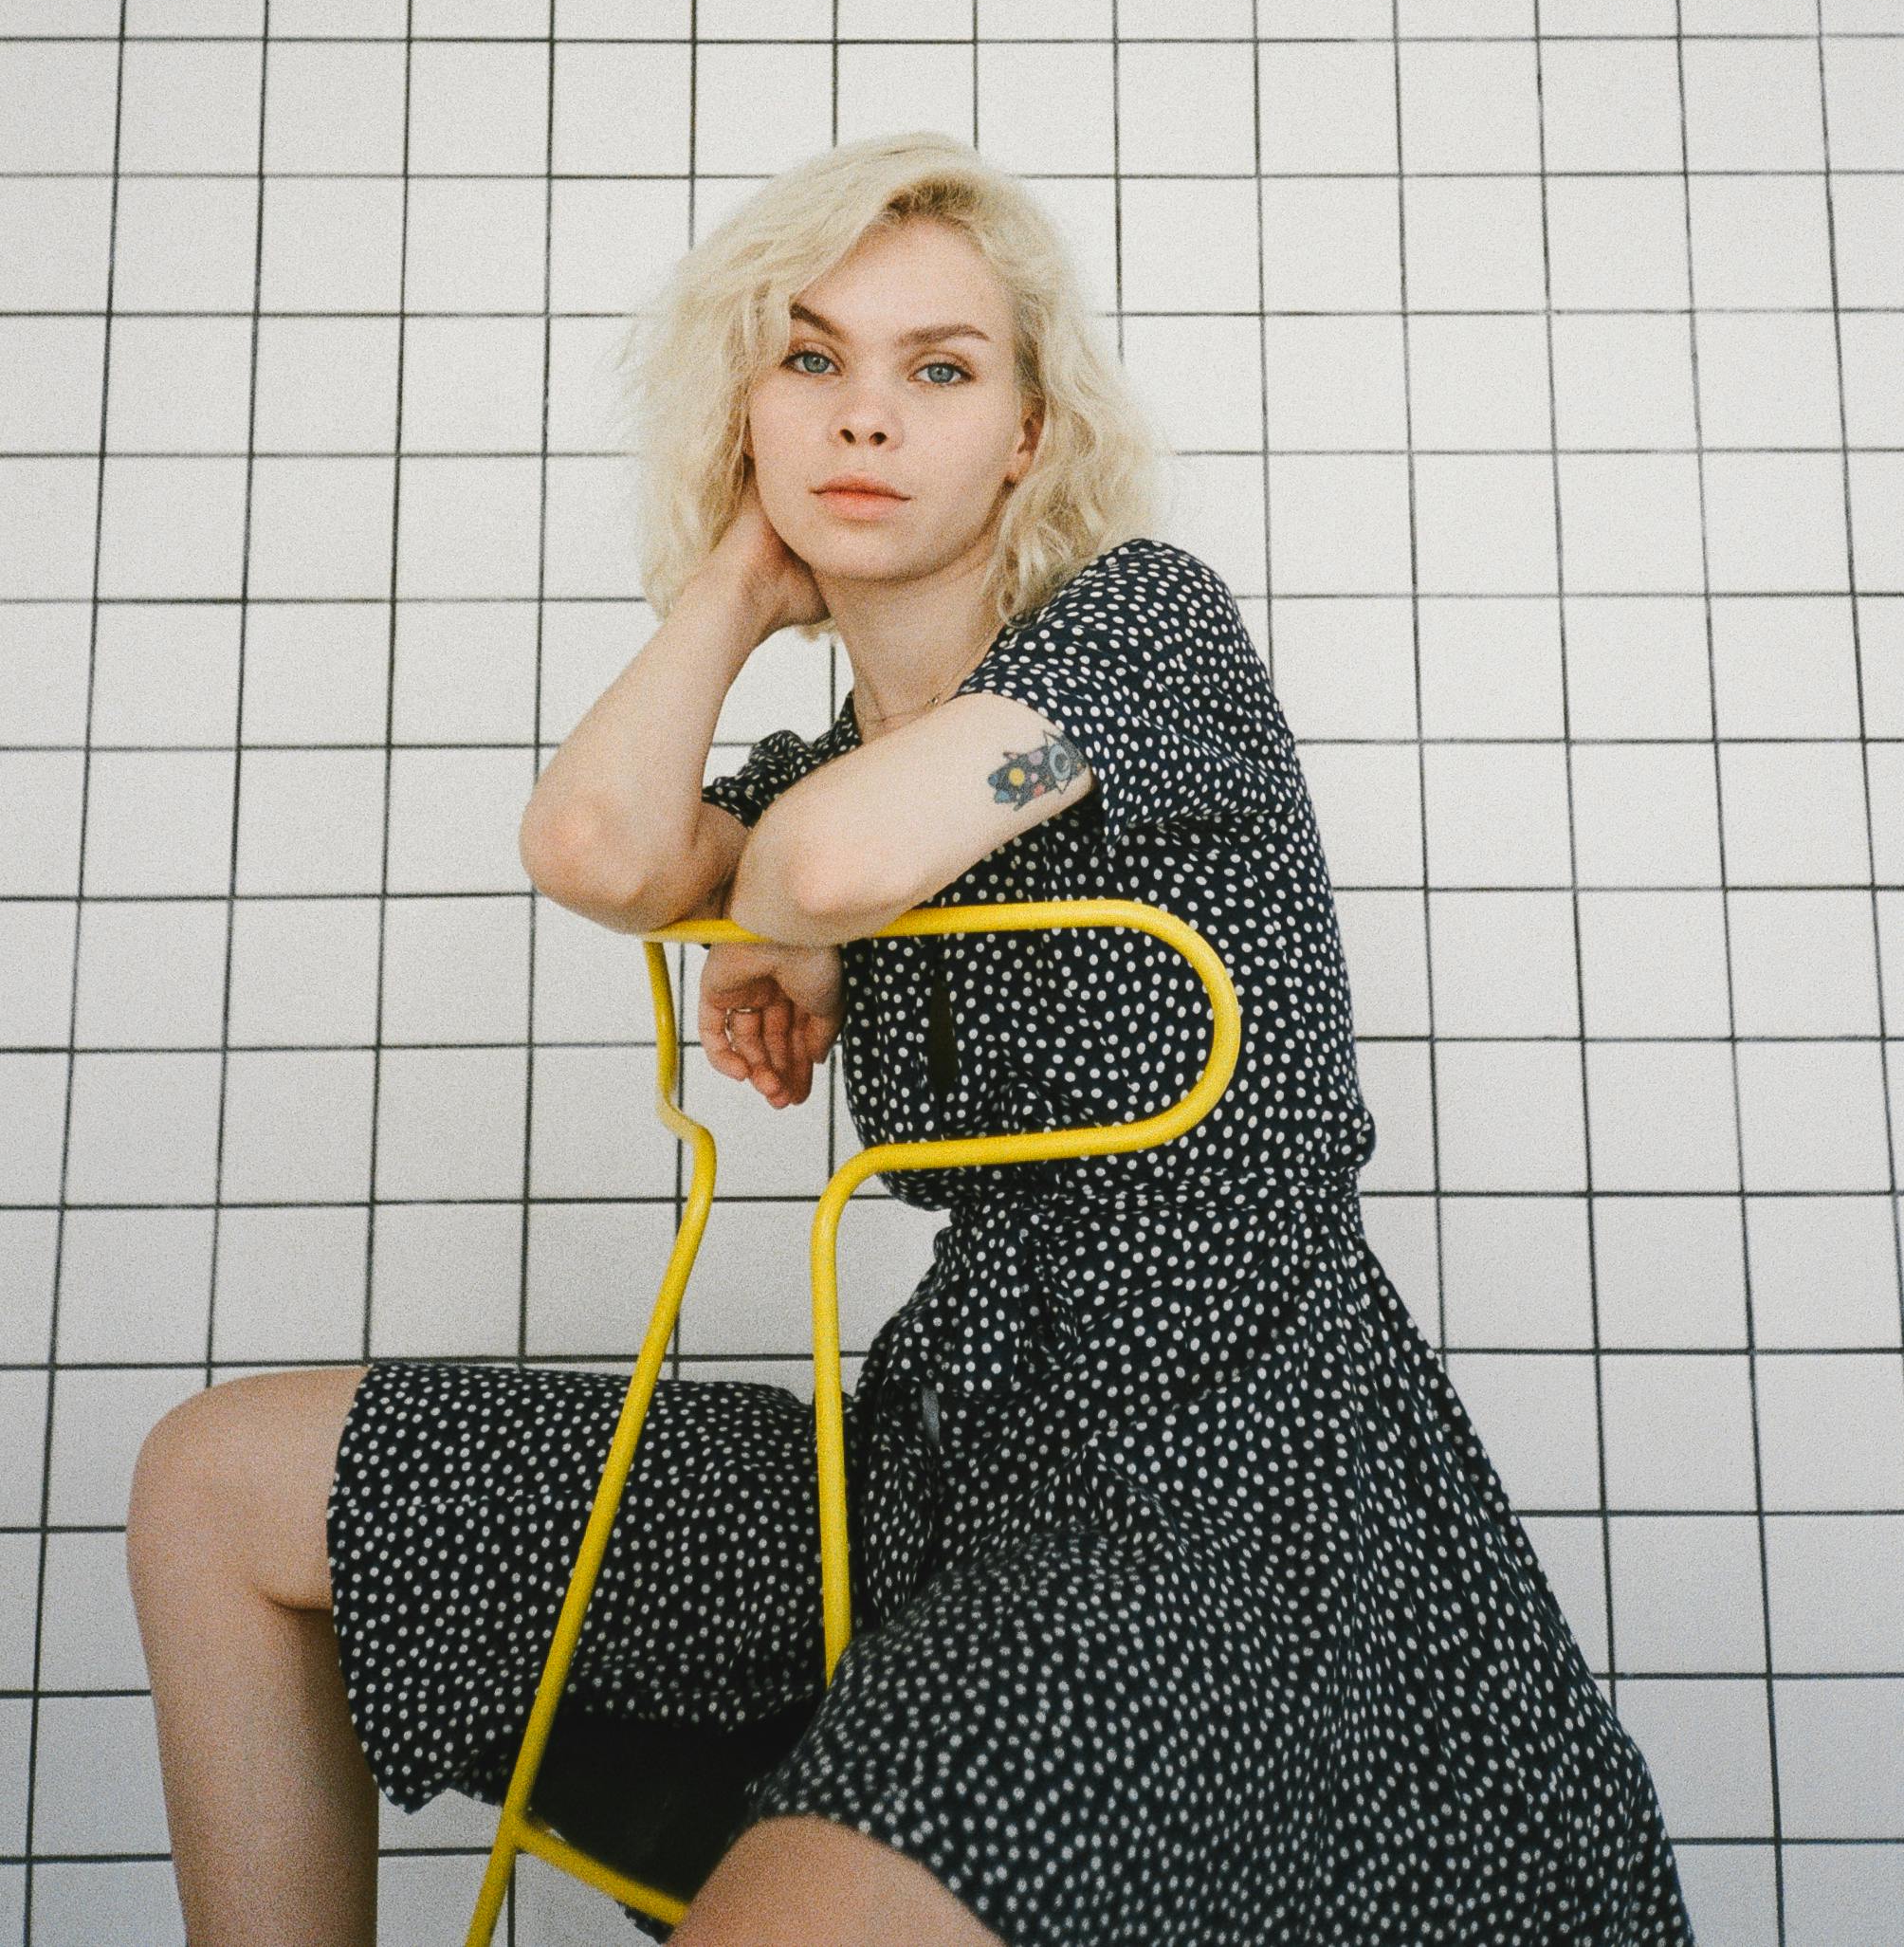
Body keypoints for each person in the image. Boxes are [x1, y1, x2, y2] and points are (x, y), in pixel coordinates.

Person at [126, 131, 1698, 1947]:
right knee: (218, 1486)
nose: (864, 420)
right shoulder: (832, 773)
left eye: (937, 371)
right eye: (810, 364)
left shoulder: (1147, 637)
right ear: (750, 415)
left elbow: (831, 854)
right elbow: (600, 847)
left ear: (1025, 433)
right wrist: (732, 581)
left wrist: (795, 920)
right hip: (940, 1466)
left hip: (1223, 1498)